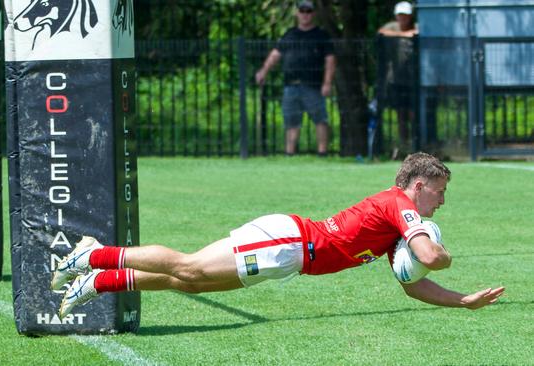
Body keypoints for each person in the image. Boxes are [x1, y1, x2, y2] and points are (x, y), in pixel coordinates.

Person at [53, 152, 505, 318]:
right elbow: (428, 254)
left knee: (187, 281)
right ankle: (95, 255)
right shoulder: (401, 206)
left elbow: (414, 284)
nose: (441, 203)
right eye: (439, 193)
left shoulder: (396, 227)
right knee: (188, 265)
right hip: (287, 240)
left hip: (290, 256)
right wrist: (437, 249)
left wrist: (463, 299)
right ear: (420, 185)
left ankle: (98, 281)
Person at [255, 0, 336, 157]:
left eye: (308, 11)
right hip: (291, 85)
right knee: (291, 121)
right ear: (297, 13)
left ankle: (322, 153)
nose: (305, 14)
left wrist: (327, 83)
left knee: (320, 119)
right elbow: (275, 54)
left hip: (313, 85)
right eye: (302, 11)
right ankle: (290, 153)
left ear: (313, 14)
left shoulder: (321, 36)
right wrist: (263, 71)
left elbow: (330, 60)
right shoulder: (289, 34)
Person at [378, 1, 419, 159]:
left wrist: (411, 34)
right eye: (400, 15)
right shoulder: (392, 27)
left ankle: (416, 147)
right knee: (401, 116)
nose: (403, 18)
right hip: (396, 81)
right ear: (396, 15)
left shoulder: (417, 27)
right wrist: (404, 35)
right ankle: (404, 146)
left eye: (406, 15)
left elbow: (418, 32)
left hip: (414, 81)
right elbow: (381, 32)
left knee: (413, 115)